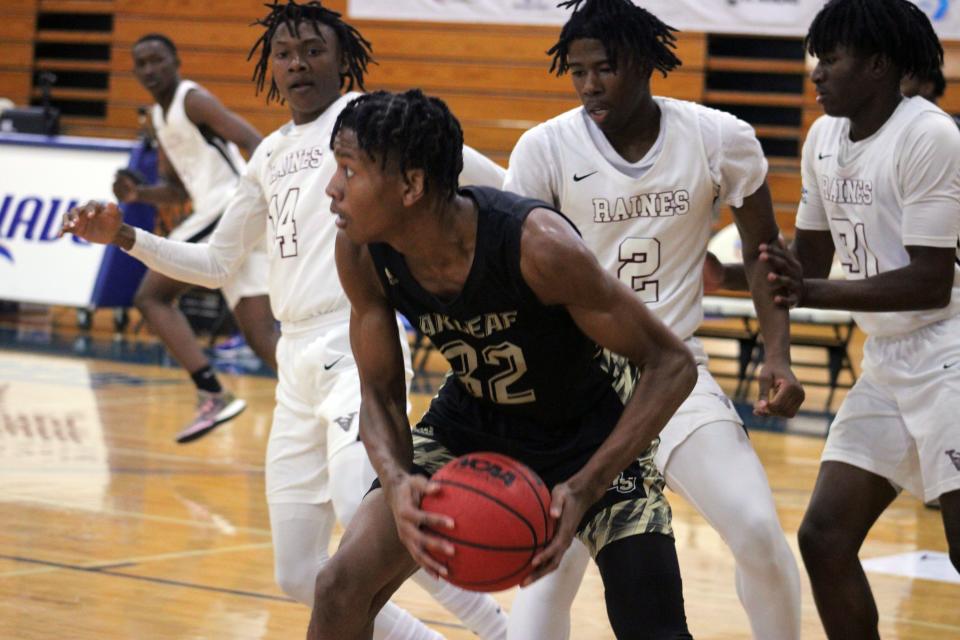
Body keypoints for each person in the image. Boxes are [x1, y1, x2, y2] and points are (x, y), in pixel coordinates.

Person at [62, 3, 509, 639]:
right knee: (299, 574)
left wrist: (534, 222)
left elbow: (495, 182)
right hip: (294, 363)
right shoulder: (269, 152)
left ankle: (500, 632)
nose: (297, 62)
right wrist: (126, 236)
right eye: (284, 52)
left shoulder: (376, 123)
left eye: (312, 49)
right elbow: (219, 262)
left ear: (341, 59)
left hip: (359, 342)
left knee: (376, 527)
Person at [307, 88, 698, 640]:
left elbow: (672, 365)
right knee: (339, 586)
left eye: (349, 169)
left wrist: (585, 486)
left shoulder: (537, 247)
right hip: (474, 420)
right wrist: (396, 482)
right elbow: (379, 393)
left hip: (589, 430)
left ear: (412, 186)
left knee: (654, 628)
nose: (332, 187)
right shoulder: (362, 251)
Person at [502, 2, 804, 638]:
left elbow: (762, 252)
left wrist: (777, 355)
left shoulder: (718, 137)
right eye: (577, 71)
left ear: (642, 63)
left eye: (604, 69)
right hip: (578, 389)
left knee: (755, 528)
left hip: (673, 373)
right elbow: (516, 284)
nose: (589, 85)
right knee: (542, 593)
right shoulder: (545, 148)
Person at [742, 1, 960, 637]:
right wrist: (731, 275)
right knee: (825, 537)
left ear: (879, 66)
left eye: (831, 59)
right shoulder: (823, 139)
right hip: (889, 362)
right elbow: (805, 261)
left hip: (951, 351)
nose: (816, 73)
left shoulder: (929, 135)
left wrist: (810, 290)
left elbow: (930, 283)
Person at [120, 33, 278, 443]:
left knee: (151, 296)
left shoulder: (193, 99)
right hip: (222, 214)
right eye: (142, 63)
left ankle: (211, 392)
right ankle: (325, 401)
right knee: (263, 339)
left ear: (176, 60)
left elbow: (251, 140)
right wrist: (139, 194)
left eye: (157, 59)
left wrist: (276, 190)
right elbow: (176, 189)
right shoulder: (159, 117)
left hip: (230, 207)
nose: (150, 69)